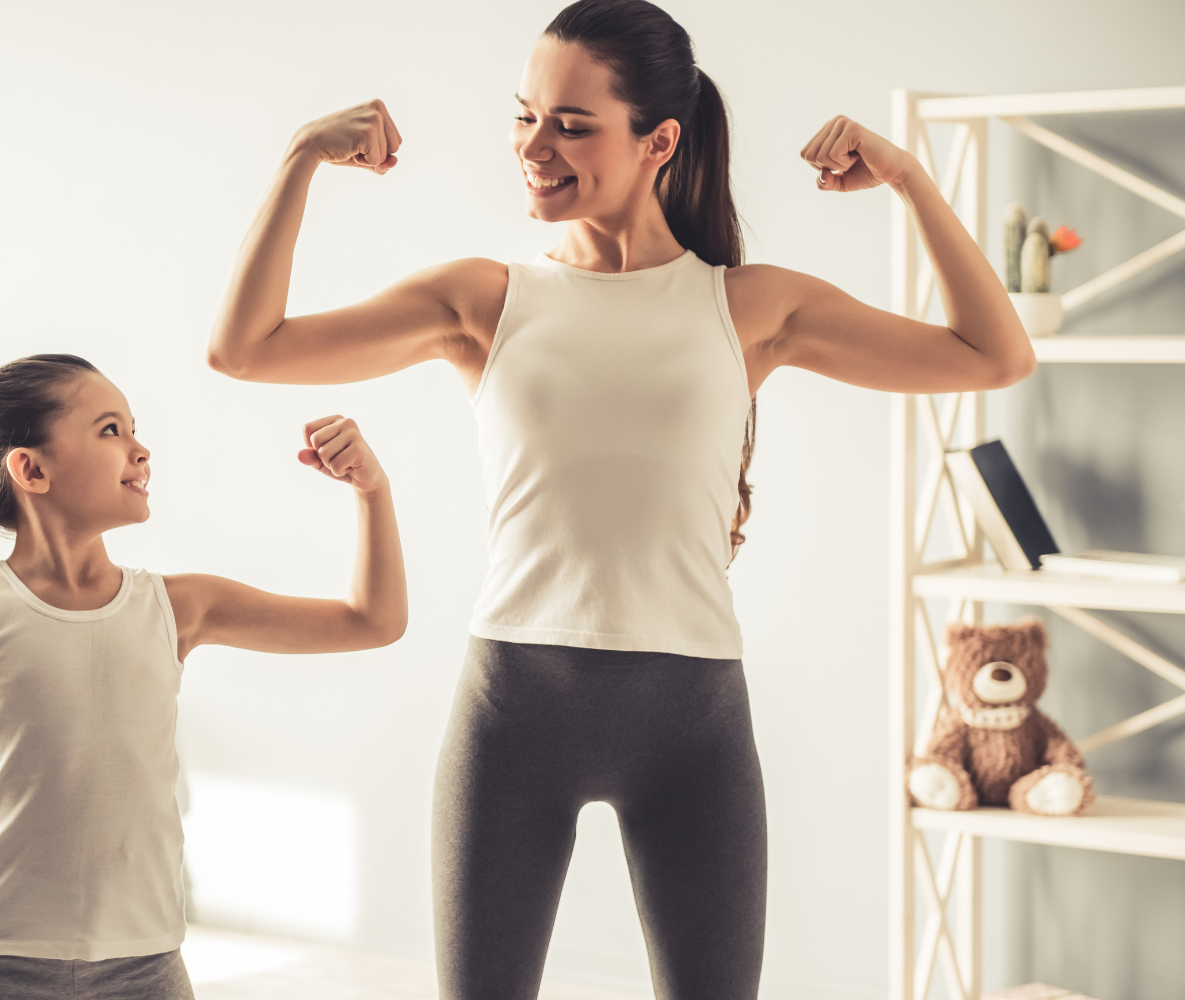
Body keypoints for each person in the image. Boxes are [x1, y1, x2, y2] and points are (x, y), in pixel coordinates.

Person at [207, 1, 1033, 997]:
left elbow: (996, 355)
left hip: (693, 727)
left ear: (660, 141)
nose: (534, 146)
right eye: (524, 116)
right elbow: (245, 348)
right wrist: (300, 156)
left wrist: (907, 178)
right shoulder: (483, 300)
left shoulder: (748, 306)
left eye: (570, 123)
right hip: (510, 714)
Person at [0, 353, 407, 1000]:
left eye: (135, 429)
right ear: (30, 469)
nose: (140, 450)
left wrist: (371, 490)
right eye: (111, 430)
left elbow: (371, 621)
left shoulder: (179, 606)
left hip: (145, 960)